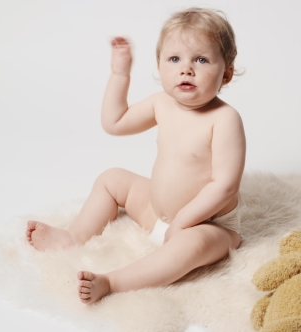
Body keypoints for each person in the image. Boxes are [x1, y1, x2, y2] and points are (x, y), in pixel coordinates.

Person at [25, 7, 246, 304]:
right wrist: (120, 74)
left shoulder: (225, 119)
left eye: (201, 60)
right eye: (174, 59)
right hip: (158, 212)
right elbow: (114, 123)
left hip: (209, 224)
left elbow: (225, 185)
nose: (186, 69)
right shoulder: (162, 103)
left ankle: (113, 282)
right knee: (111, 178)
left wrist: (183, 222)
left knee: (192, 246)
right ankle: (73, 237)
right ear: (160, 65)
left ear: (226, 73)